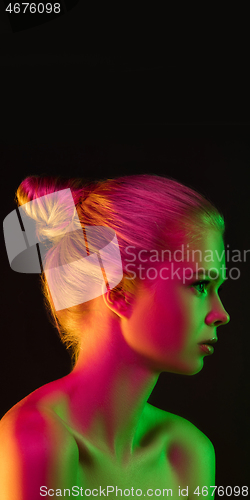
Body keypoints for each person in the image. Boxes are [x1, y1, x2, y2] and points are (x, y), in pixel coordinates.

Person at [0, 173, 230, 499]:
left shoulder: (187, 452)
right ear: (119, 291)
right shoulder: (36, 442)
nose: (221, 314)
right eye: (200, 285)